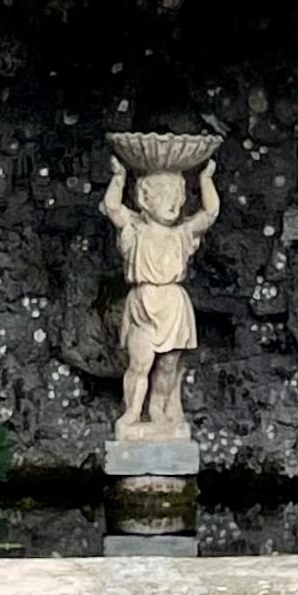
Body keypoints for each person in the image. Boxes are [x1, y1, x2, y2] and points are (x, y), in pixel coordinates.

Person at [102, 155, 220, 442]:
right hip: (144, 301)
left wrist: (205, 181)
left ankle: (158, 407)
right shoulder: (135, 231)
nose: (173, 203)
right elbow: (113, 207)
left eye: (177, 196)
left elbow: (210, 212)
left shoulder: (182, 233)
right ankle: (132, 412)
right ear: (145, 199)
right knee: (140, 361)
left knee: (168, 365)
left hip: (172, 303)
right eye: (164, 196)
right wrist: (119, 178)